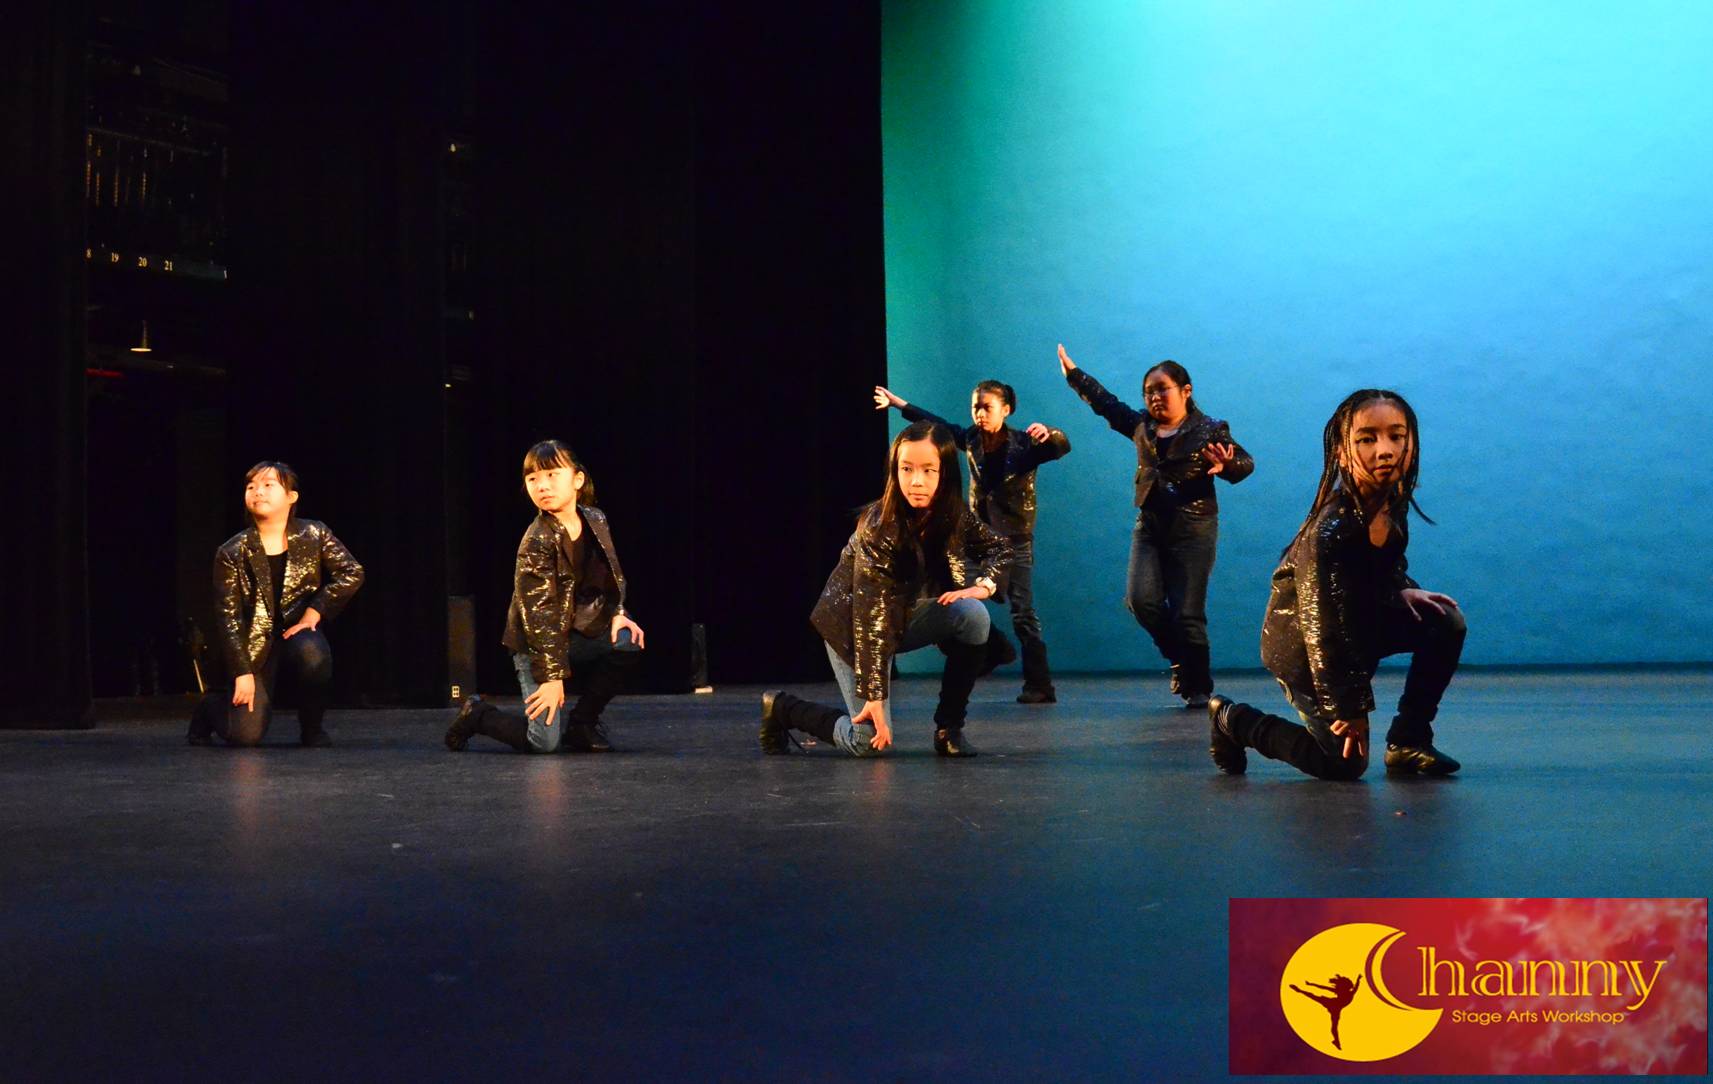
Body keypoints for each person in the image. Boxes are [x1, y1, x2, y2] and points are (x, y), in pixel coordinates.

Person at [1208, 389, 1465, 780]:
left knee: (1443, 621)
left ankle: (1408, 739)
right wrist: (1345, 706)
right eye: (1367, 439)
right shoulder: (1331, 529)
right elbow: (1322, 628)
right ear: (1342, 453)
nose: (1385, 450)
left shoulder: (1389, 500)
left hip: (1355, 627)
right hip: (1305, 648)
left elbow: (1381, 563)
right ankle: (1234, 720)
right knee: (1344, 764)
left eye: (1397, 436)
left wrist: (1401, 586)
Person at [759, 420, 1011, 757]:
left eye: (928, 470)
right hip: (853, 628)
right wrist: (874, 692)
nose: (916, 481)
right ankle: (781, 708)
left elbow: (1000, 548)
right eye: (906, 469)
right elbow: (870, 614)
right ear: (895, 471)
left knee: (973, 614)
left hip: (899, 618)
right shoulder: (879, 527)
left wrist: (983, 585)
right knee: (866, 742)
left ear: (945, 474)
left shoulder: (952, 514)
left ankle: (949, 729)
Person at [1058, 343, 1253, 707]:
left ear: (1186, 391)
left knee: (1186, 611)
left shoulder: (1210, 429)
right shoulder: (1142, 427)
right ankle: (1180, 659)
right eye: (1148, 392)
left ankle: (1199, 687)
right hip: (1149, 525)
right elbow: (1107, 404)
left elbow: (1244, 463)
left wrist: (1228, 466)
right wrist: (1075, 376)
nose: (1155, 398)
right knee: (1140, 601)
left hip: (1194, 529)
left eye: (1162, 389)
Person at [872, 379, 1071, 702]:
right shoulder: (971, 439)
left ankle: (1040, 685)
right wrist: (899, 404)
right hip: (978, 538)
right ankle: (993, 650)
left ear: (1006, 410)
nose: (980, 413)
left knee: (1023, 612)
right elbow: (936, 424)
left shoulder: (1025, 444)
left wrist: (1049, 432)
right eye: (976, 407)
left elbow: (1060, 447)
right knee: (955, 595)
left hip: (1015, 540)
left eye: (987, 407)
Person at [445, 441, 646, 754]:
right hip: (535, 645)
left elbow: (610, 574)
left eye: (552, 474)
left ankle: (582, 725)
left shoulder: (595, 519)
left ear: (577, 480)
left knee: (627, 640)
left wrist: (619, 611)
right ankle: (478, 715)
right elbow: (539, 617)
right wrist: (552, 676)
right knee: (543, 743)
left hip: (573, 633)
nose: (542, 485)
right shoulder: (537, 540)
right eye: (533, 479)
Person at [187, 461, 364, 747]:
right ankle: (210, 708)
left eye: (269, 485)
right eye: (251, 486)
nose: (258, 491)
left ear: (291, 497)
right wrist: (242, 672)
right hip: (254, 642)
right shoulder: (232, 551)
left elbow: (351, 572)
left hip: (296, 632)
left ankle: (312, 727)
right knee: (246, 736)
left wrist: (315, 611)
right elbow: (229, 618)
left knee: (313, 653)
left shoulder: (314, 533)